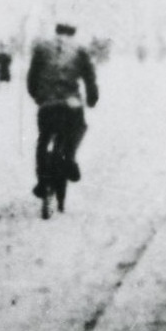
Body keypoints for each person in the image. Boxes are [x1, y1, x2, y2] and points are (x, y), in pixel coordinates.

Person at [26, 22, 98, 201]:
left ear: (56, 31)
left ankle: (42, 182)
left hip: (47, 103)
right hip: (70, 103)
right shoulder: (80, 49)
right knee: (80, 127)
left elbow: (32, 76)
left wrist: (37, 96)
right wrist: (91, 98)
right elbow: (89, 77)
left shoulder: (41, 48)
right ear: (73, 32)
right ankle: (69, 159)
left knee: (43, 140)